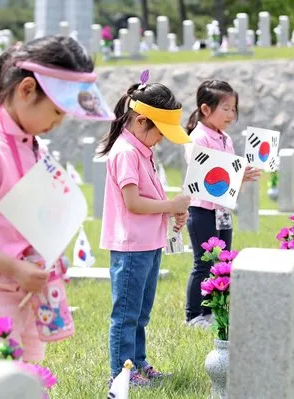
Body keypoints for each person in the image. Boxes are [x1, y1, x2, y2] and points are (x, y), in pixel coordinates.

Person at [0, 36, 114, 362]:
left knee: (28, 380)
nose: (58, 123)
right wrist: (13, 267)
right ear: (26, 90)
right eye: (56, 111)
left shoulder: (32, 145)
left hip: (29, 289)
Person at [98, 72, 192, 387]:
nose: (162, 139)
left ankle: (137, 363)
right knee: (125, 314)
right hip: (131, 247)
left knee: (140, 314)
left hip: (148, 244)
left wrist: (173, 210)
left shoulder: (142, 150)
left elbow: (149, 198)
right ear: (141, 121)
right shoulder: (125, 152)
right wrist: (170, 205)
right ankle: (121, 373)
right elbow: (133, 203)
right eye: (160, 131)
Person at [183, 80, 261, 328]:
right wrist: (236, 175)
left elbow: (229, 181)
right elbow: (206, 173)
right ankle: (194, 315)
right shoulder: (198, 138)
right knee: (204, 262)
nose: (231, 114)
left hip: (222, 209)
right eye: (225, 108)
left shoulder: (226, 138)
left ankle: (215, 309)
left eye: (233, 109)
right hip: (202, 209)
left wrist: (242, 177)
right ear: (206, 109)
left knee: (224, 261)